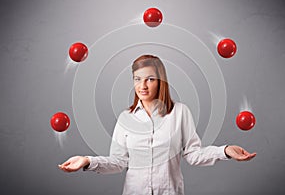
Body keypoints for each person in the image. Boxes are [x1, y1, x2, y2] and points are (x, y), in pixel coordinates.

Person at [58, 55, 256, 195]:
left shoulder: (180, 112)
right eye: (137, 79)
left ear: (161, 81)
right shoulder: (125, 118)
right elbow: (118, 162)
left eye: (150, 79)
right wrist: (87, 161)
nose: (142, 86)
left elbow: (193, 155)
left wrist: (225, 151)